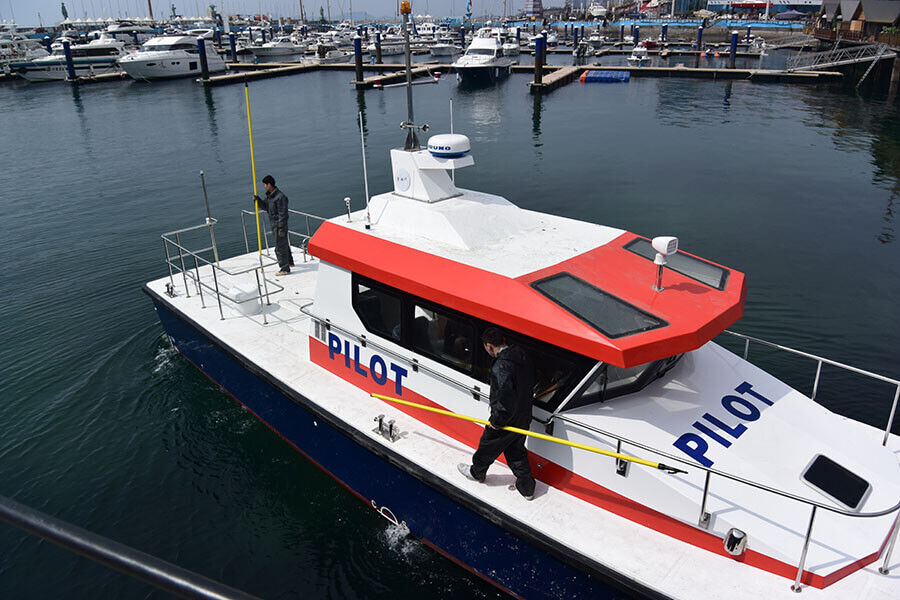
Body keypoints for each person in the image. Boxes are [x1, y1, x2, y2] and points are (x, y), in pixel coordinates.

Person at [458, 327, 536, 500]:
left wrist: (497, 421)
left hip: (507, 419)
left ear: (489, 346)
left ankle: (476, 472)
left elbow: (505, 396)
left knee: (487, 445)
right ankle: (527, 487)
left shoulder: (501, 366)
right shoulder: (521, 354)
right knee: (515, 450)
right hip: (524, 415)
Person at [253, 174, 293, 276]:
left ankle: (285, 268)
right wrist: (258, 201)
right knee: (283, 244)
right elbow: (267, 208)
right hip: (274, 225)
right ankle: (289, 262)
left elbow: (283, 215)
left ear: (269, 184)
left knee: (279, 247)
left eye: (265, 185)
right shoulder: (270, 197)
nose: (264, 187)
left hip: (279, 225)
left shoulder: (280, 197)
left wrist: (281, 228)